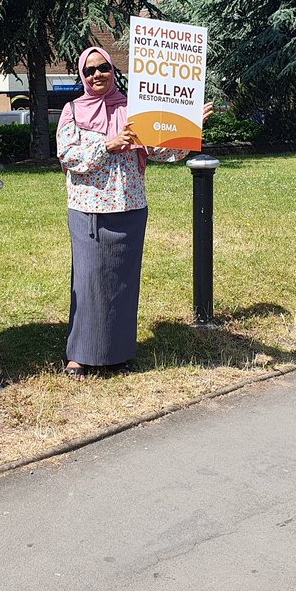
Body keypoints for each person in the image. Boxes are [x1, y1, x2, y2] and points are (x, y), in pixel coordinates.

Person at [56, 46, 213, 380]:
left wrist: (189, 128)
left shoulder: (134, 109)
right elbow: (68, 157)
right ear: (82, 76)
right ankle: (80, 355)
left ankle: (117, 353)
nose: (97, 75)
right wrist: (108, 144)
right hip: (89, 208)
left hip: (130, 206)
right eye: (89, 70)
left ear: (114, 71)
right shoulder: (72, 110)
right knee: (88, 283)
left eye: (103, 68)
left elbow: (161, 151)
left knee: (121, 284)